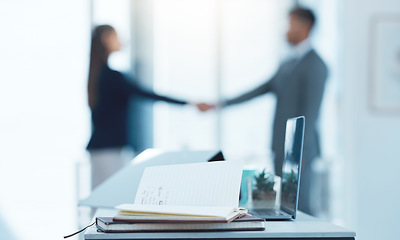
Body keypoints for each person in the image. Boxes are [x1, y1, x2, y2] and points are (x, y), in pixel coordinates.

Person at [208, 7, 328, 215]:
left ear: (305, 27)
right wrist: (220, 103)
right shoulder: (288, 63)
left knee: (302, 208)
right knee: (286, 207)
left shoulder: (316, 65)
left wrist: (300, 151)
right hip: (280, 145)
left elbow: (311, 111)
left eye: (291, 24)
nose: (286, 30)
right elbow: (260, 89)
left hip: (300, 151)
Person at [87, 25, 208, 190]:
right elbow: (146, 94)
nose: (121, 41)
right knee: (110, 200)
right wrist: (189, 103)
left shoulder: (98, 75)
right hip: (109, 149)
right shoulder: (111, 77)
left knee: (99, 201)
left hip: (101, 148)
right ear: (106, 38)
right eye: (116, 36)